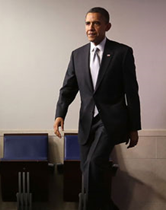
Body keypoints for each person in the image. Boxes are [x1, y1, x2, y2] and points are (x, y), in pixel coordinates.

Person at [53, 7, 141, 210]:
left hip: (111, 122)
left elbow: (132, 92)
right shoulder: (77, 55)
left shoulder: (122, 52)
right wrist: (60, 114)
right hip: (86, 122)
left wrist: (134, 127)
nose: (90, 27)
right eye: (87, 23)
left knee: (93, 164)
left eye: (96, 23)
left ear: (107, 26)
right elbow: (68, 88)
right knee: (89, 174)